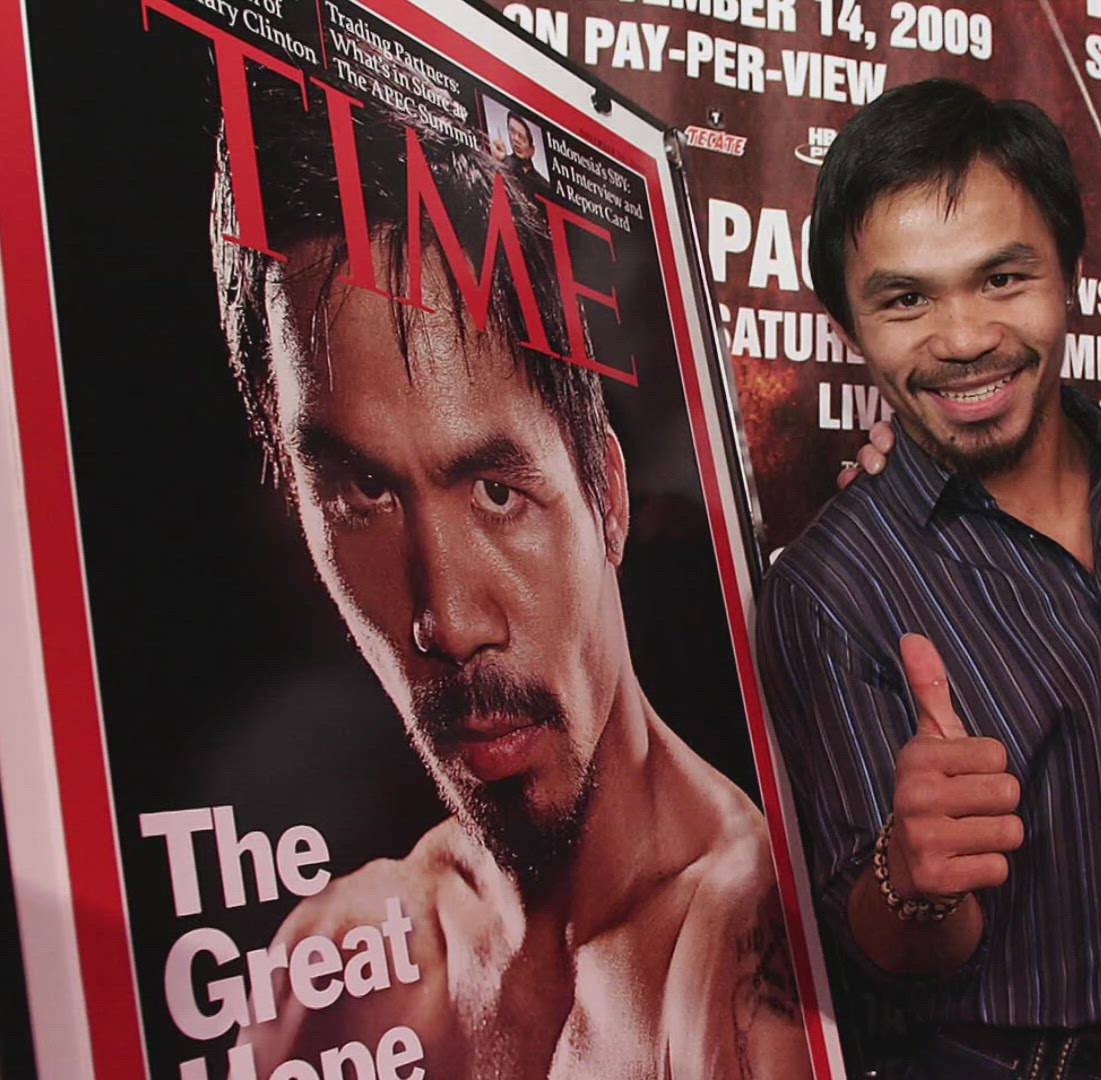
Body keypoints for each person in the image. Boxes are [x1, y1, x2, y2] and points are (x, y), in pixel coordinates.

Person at [210, 81, 804, 1078]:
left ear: (608, 495)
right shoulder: (338, 970)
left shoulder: (743, 973)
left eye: (495, 489)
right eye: (362, 491)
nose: (448, 618)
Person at [756, 78, 1101, 1078]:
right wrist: (912, 877)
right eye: (906, 298)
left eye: (1002, 278)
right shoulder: (829, 590)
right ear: (850, 327)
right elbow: (884, 953)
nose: (964, 338)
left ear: (1071, 272)